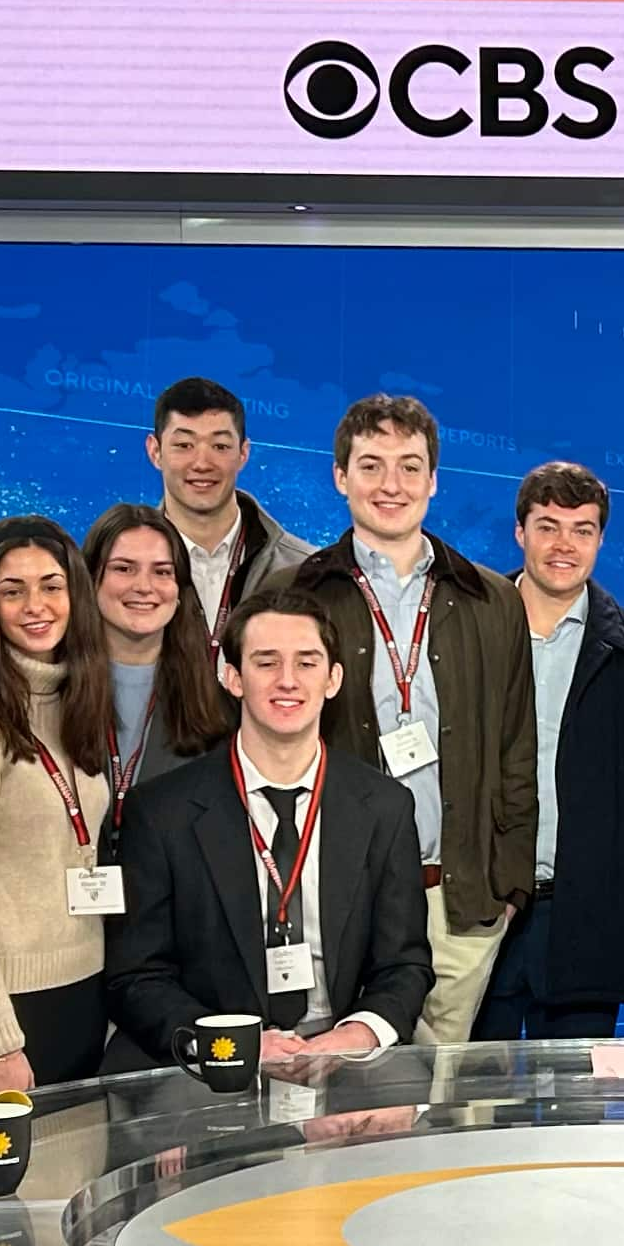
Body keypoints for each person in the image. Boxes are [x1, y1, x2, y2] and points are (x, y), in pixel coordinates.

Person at [282, 394, 535, 1046]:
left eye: (409, 466)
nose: (390, 485)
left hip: (459, 901)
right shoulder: (296, 597)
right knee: (347, 1092)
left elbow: (516, 747)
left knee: (440, 1091)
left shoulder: (493, 599)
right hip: (340, 895)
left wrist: (508, 887)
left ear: (433, 480)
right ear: (341, 477)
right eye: (371, 466)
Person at [107, 590, 435, 1070]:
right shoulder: (161, 812)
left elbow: (405, 965)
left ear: (333, 679)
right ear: (232, 677)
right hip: (215, 1069)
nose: (288, 681)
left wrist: (359, 1033)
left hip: (342, 1059)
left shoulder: (384, 806)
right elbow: (136, 977)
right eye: (266, 663)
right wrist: (232, 1046)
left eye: (307, 663)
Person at [479, 461, 624, 1042]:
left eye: (582, 529)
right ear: (520, 533)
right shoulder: (471, 628)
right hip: (485, 914)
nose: (563, 545)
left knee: (577, 1119)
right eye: (548, 526)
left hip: (590, 918)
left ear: (599, 539)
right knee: (472, 1115)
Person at [0, 516, 124, 1093]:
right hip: (0, 1010)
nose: (36, 605)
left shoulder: (77, 702)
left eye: (51, 586)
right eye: (13, 590)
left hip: (81, 993)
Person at [83, 498, 238, 797]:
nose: (144, 586)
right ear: (90, 580)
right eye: (124, 568)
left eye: (162, 572)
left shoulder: (220, 711)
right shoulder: (48, 695)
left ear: (179, 590)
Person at [146, 374, 317, 625]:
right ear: (155, 452)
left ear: (244, 454)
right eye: (184, 445)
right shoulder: (114, 571)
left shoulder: (304, 570)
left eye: (220, 446)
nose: (202, 463)